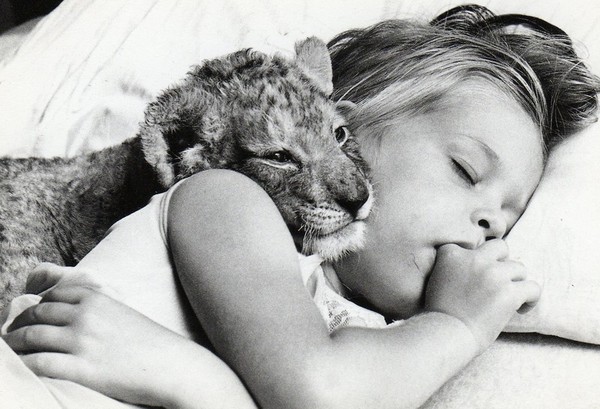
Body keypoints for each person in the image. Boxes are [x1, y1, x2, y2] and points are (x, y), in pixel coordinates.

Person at [2, 5, 599, 409]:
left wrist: (195, 378)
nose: (491, 224)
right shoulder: (230, 201)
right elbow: (319, 394)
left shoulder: (387, 353)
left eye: (509, 217)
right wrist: (457, 326)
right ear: (345, 126)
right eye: (466, 170)